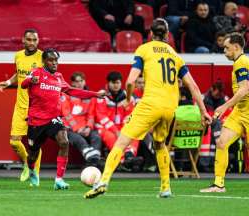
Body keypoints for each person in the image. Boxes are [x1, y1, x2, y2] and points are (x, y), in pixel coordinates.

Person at [84, 18, 212, 199]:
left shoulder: (144, 50)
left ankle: (103, 182)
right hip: (169, 107)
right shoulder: (176, 55)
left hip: (151, 104)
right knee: (160, 144)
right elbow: (193, 87)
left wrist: (128, 99)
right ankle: (166, 188)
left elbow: (130, 81)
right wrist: (203, 111)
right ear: (167, 35)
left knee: (121, 142)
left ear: (150, 34)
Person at [21, 48, 105, 189]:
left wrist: (95, 94)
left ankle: (59, 180)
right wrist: (31, 79)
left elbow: (73, 91)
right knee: (33, 154)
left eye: (56, 60)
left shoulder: (59, 77)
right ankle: (31, 169)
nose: (54, 63)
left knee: (64, 142)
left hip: (53, 119)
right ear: (44, 61)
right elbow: (23, 84)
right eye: (51, 60)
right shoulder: (37, 73)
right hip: (36, 120)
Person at [200, 32, 249, 193]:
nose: (224, 51)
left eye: (227, 48)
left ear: (236, 47)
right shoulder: (240, 62)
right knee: (221, 142)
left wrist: (223, 107)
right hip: (240, 112)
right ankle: (218, 184)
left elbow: (244, 90)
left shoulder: (241, 62)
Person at [0, 29, 42, 182]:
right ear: (23, 40)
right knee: (14, 141)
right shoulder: (18, 55)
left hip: (37, 107)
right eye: (29, 39)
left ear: (38, 40)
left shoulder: (43, 57)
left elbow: (51, 78)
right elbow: (19, 74)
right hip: (21, 106)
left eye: (34, 40)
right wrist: (9, 82)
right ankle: (28, 164)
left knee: (35, 143)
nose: (32, 43)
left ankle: (35, 176)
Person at [93, 71, 142, 172]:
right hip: (104, 127)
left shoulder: (127, 96)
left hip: (121, 126)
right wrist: (116, 130)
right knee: (111, 137)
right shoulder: (102, 95)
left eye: (118, 83)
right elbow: (101, 117)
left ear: (121, 83)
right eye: (113, 82)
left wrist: (125, 128)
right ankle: (124, 161)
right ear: (108, 83)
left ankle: (130, 155)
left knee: (134, 133)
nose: (116, 85)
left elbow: (129, 115)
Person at [61, 72, 103, 168]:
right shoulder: (66, 95)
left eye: (81, 81)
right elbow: (66, 114)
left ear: (85, 82)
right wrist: (77, 128)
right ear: (72, 83)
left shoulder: (90, 96)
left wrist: (88, 127)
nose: (79, 83)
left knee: (96, 137)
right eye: (76, 81)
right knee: (80, 140)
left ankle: (93, 161)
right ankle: (94, 161)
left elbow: (91, 115)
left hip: (86, 127)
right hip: (69, 129)